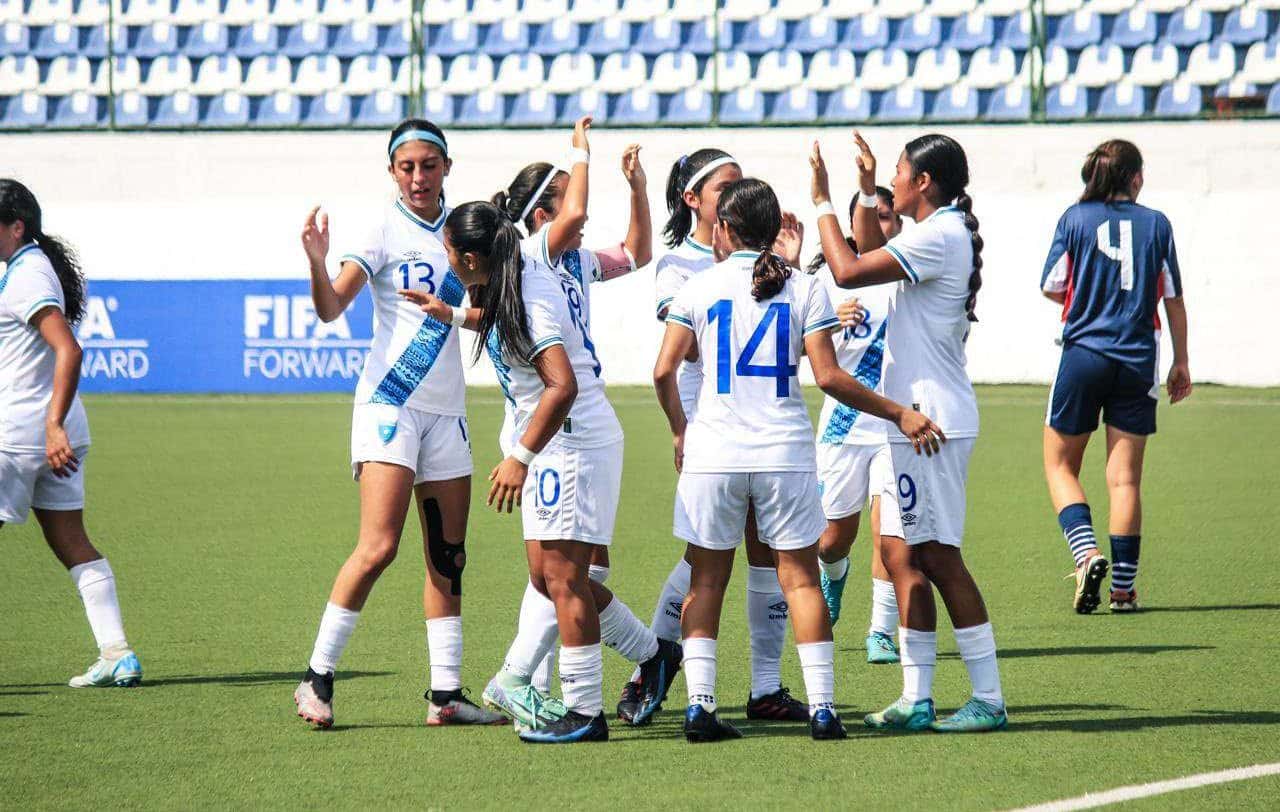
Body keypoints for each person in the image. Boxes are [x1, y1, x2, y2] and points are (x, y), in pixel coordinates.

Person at [654, 177, 945, 742]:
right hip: (785, 451)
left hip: (714, 451)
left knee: (707, 580)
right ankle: (824, 710)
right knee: (802, 581)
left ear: (724, 228)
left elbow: (664, 370)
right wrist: (897, 413)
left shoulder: (699, 286)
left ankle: (700, 707)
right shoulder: (805, 286)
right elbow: (830, 376)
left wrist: (680, 431)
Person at [422, 201, 680, 744]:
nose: (445, 258)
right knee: (550, 577)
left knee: (563, 580)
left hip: (571, 443)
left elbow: (563, 386)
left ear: (470, 259)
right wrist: (451, 315)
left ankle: (584, 712)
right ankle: (653, 655)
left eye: (448, 250)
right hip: (558, 444)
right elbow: (498, 323)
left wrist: (520, 456)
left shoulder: (529, 293)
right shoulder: (510, 279)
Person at [292, 119, 504, 729]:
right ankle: (316, 677)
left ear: (446, 167)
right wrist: (316, 262)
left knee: (448, 555)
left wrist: (458, 309)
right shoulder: (381, 228)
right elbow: (332, 308)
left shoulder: (468, 230)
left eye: (429, 165)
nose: (418, 177)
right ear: (392, 171)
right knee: (379, 545)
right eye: (407, 167)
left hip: (446, 411)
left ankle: (445, 696)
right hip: (391, 404)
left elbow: (494, 309)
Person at [810, 132, 1008, 732]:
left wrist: (823, 200)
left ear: (923, 182)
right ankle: (916, 697)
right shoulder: (933, 233)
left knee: (939, 557)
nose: (893, 182)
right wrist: (866, 190)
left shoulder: (941, 235)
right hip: (913, 418)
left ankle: (989, 698)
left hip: (931, 420)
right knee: (900, 553)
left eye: (898, 173)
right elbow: (871, 262)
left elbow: (846, 269)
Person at [618, 148, 813, 725]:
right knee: (703, 560)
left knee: (763, 554)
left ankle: (765, 687)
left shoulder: (763, 262)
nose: (735, 190)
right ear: (695, 200)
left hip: (759, 422)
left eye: (741, 183)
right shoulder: (679, 267)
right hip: (713, 423)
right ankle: (655, 658)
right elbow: (695, 346)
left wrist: (785, 267)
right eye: (725, 184)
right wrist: (767, 278)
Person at [487, 118, 655, 699]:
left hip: (569, 430)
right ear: (540, 217)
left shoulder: (569, 262)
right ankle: (535, 674)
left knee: (569, 570)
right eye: (562, 204)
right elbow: (576, 218)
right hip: (554, 431)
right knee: (559, 571)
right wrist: (579, 152)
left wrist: (634, 187)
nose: (578, 218)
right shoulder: (534, 252)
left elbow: (636, 252)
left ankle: (551, 681)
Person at [0, 179, 142, 688]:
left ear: (16, 226)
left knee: (71, 540)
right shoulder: (29, 268)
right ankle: (117, 653)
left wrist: (51, 424)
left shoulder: (25, 276)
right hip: (51, 433)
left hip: (23, 432)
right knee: (71, 541)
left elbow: (70, 350)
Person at [1040, 139, 1191, 614]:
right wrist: (1181, 361)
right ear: (1136, 179)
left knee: (1060, 464)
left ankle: (1085, 554)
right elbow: (1173, 298)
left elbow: (1052, 286)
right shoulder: (1157, 224)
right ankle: (1124, 592)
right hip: (1138, 356)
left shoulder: (1074, 218)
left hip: (1084, 353)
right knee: (1124, 478)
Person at [807, 185, 907, 665]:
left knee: (891, 531)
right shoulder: (829, 278)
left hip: (895, 421)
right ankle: (834, 576)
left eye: (887, 216)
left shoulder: (908, 273)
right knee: (832, 537)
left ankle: (881, 632)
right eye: (872, 215)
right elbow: (803, 355)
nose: (881, 224)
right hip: (844, 422)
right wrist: (829, 324)